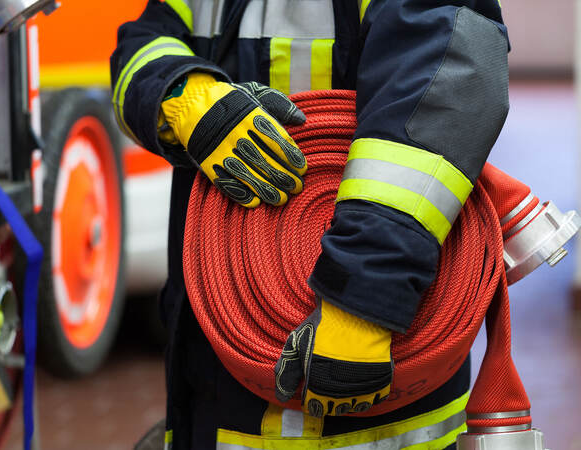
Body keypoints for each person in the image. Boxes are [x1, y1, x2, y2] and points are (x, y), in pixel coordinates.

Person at [111, 1, 509, 448]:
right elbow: (139, 47)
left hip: (373, 379)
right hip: (214, 381)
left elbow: (444, 94)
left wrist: (362, 300)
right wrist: (185, 91)